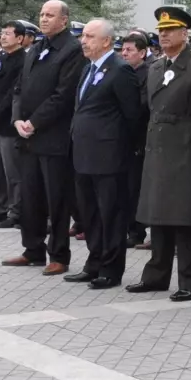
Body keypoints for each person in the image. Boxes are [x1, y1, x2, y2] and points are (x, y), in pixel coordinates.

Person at [128, 7, 191, 301]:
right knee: (158, 216)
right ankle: (155, 276)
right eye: (160, 30)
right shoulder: (155, 66)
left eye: (170, 30)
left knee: (186, 219)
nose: (163, 35)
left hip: (186, 151)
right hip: (158, 149)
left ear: (184, 33)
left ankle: (190, 281)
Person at [1, 0, 83, 276]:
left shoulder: (72, 50)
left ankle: (59, 254)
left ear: (65, 20)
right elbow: (19, 90)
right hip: (27, 136)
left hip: (54, 138)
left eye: (50, 15)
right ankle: (32, 249)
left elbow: (63, 95)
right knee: (30, 196)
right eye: (42, 15)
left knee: (56, 199)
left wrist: (35, 122)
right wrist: (17, 119)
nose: (44, 19)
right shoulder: (35, 48)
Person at [61, 19, 141, 289]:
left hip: (110, 158)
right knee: (91, 214)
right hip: (83, 155)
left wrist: (121, 149)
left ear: (106, 41)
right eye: (83, 36)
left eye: (90, 36)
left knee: (111, 215)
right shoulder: (88, 68)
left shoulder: (120, 70)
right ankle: (93, 263)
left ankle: (111, 269)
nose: (83, 41)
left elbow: (133, 116)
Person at [0, 21, 32, 227]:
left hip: (6, 123)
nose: (3, 37)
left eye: (8, 34)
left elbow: (13, 93)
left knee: (13, 171)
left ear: (20, 38)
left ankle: (16, 210)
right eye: (1, 33)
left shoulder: (23, 60)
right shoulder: (0, 57)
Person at [119, 31, 153, 247]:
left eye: (129, 50)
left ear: (142, 53)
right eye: (122, 50)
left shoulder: (148, 73)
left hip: (138, 138)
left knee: (135, 188)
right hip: (121, 138)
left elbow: (142, 106)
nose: (124, 54)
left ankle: (136, 230)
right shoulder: (122, 72)